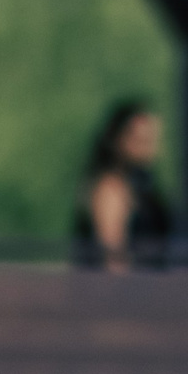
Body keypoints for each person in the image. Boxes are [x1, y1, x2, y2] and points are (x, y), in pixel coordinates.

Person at [72, 99, 176, 272]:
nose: (150, 147)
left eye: (152, 139)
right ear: (120, 140)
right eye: (141, 139)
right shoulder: (111, 188)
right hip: (127, 293)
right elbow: (114, 258)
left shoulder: (144, 188)